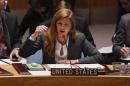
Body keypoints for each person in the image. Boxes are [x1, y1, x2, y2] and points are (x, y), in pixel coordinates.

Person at [18, 8, 105, 64]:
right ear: (55, 24)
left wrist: (74, 61)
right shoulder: (45, 36)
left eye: (66, 24)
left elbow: (98, 57)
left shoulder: (79, 38)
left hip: (71, 77)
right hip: (50, 77)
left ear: (71, 27)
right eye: (59, 23)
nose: (62, 27)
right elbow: (23, 53)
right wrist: (33, 36)